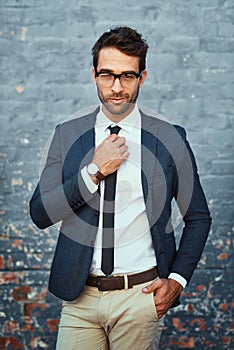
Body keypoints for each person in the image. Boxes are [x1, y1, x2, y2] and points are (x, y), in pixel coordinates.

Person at [29, 26, 212, 350]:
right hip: (80, 300)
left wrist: (177, 281)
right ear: (93, 75)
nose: (116, 87)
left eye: (127, 76)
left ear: (142, 77)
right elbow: (41, 214)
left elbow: (198, 218)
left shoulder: (171, 139)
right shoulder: (68, 135)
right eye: (107, 75)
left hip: (141, 298)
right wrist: (94, 171)